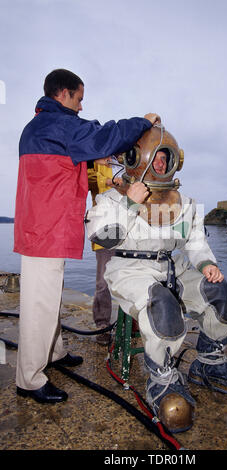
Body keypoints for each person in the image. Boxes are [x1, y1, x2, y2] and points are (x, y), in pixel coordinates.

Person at [85, 125, 227, 433]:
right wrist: (131, 203)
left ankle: (209, 360)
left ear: (175, 161)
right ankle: (161, 379)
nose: (159, 164)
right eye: (154, 157)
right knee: (161, 305)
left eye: (165, 158)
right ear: (135, 158)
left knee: (215, 291)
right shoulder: (112, 199)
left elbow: (196, 242)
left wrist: (206, 265)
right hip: (130, 271)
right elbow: (101, 237)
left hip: (173, 266)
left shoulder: (184, 203)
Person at [13, 68, 160, 404]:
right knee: (39, 305)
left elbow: (84, 152)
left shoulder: (43, 125)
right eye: (79, 98)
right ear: (63, 94)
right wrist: (143, 121)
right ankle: (29, 379)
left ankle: (53, 353)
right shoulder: (59, 124)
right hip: (44, 232)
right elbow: (103, 135)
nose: (81, 105)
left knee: (50, 300)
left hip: (45, 228)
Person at [87, 157, 123, 345]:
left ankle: (132, 323)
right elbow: (85, 180)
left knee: (135, 276)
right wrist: (108, 181)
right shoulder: (93, 163)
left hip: (130, 228)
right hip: (105, 231)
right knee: (103, 282)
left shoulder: (128, 162)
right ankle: (102, 326)